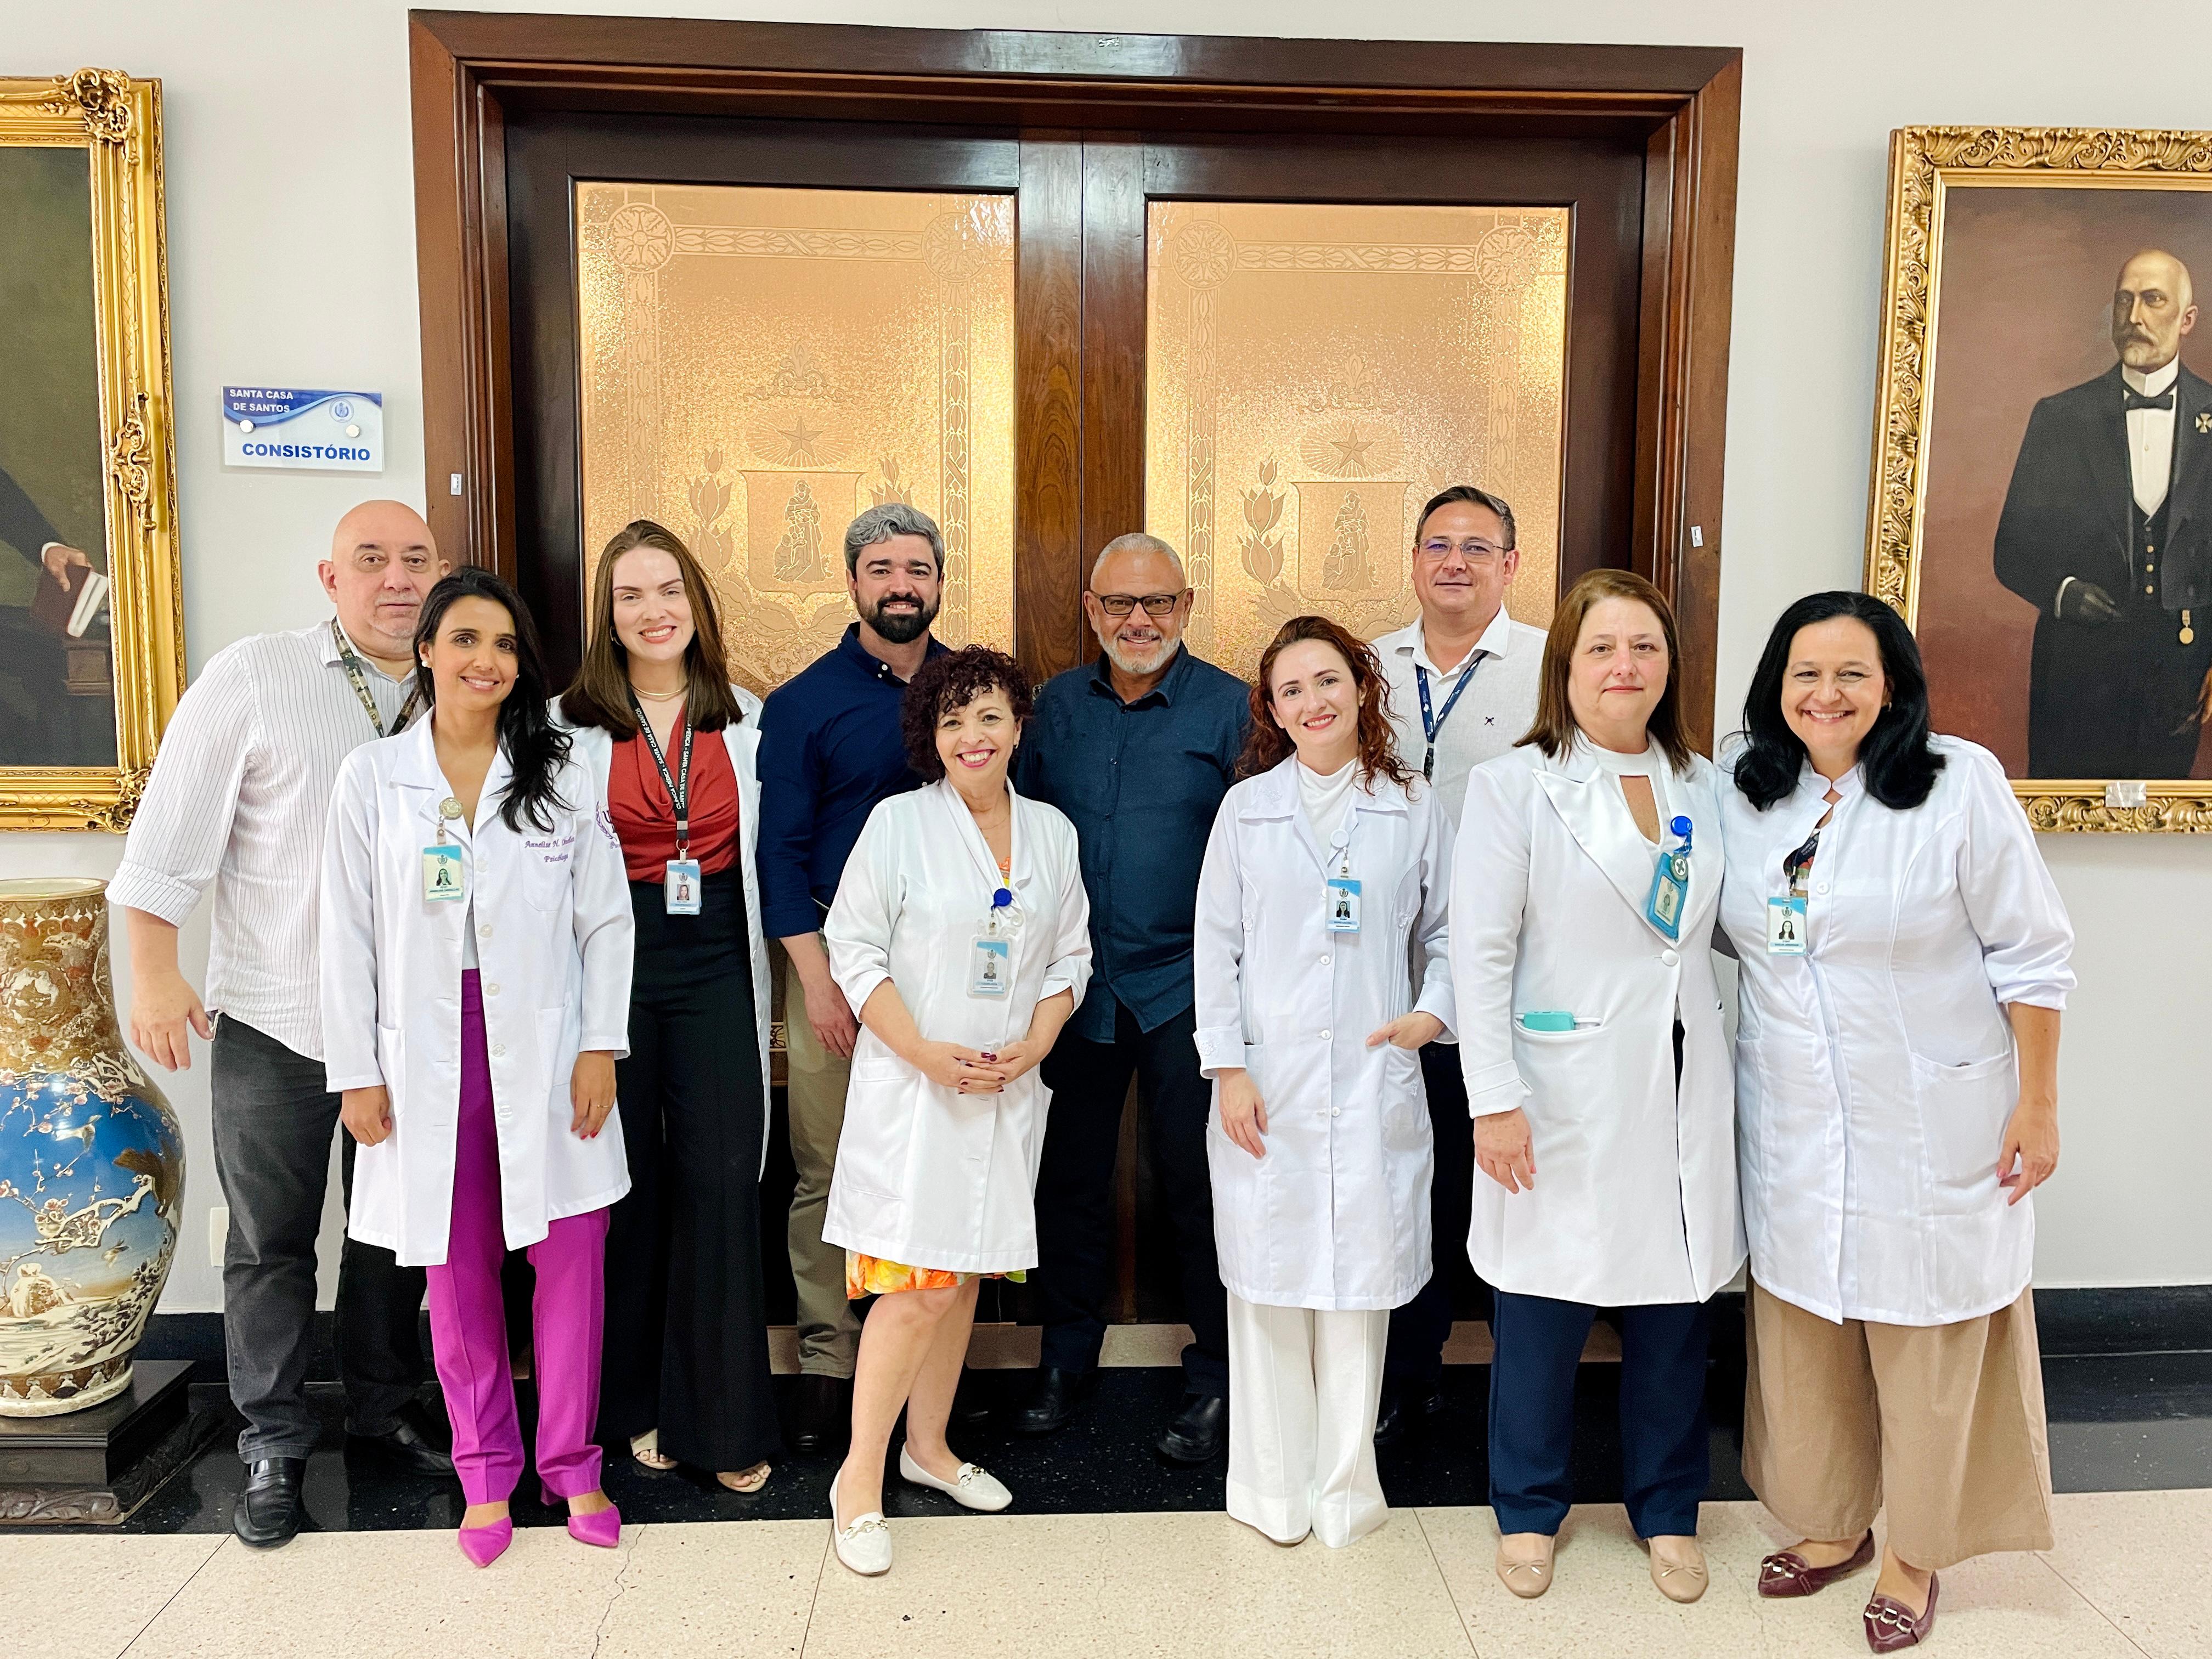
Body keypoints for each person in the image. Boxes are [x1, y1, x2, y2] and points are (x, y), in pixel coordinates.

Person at [1720, 592, 2072, 1654]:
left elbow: (2033, 951)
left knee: (1927, 1331)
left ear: (1892, 687)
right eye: (1804, 673)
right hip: (1791, 1113)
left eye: (1851, 673)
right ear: (1776, 687)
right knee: (1807, 1326)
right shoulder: (1745, 790)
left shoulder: (1957, 783)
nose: (1825, 694)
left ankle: (1914, 1551)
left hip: (1932, 1112)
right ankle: (1831, 1522)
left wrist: (2038, 1099)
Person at [109, 500, 456, 1549]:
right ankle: (272, 1435)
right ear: (329, 577)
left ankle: (385, 1402)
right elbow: (166, 839)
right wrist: (154, 972)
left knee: (392, 1233)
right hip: (279, 1018)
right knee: (271, 1239)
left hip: (409, 1029)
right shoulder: (257, 676)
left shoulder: (463, 680)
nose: (397, 578)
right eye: (371, 559)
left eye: (416, 558)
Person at [322, 568, 634, 1567]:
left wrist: (599, 1044)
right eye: (464, 639)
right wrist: (356, 1069)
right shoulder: (373, 778)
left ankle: (572, 1463)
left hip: (548, 1045)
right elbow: (345, 934)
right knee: (456, 1270)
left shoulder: (563, 770)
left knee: (572, 1256)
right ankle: (486, 1471)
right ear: (425, 650)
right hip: (425, 1050)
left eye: (504, 645)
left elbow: (605, 920)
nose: (486, 661)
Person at [1451, 568, 1740, 1605]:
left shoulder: (1704, 785)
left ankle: (1667, 1509)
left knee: (1674, 1313)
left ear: (1669, 665)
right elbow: (1478, 953)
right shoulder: (1515, 785)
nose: (1625, 666)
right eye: (1602, 648)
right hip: (1557, 1084)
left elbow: (1728, 926)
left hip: (1681, 1078)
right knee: (1541, 1307)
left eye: (1645, 647)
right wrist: (1492, 1099)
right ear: (1565, 666)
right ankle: (1529, 1508)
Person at [820, 646, 1092, 1576]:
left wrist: (1040, 1038)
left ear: (1018, 726)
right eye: (951, 720)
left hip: (1002, 1092)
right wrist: (923, 1051)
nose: (971, 736)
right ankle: (858, 1478)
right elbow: (854, 948)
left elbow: (1071, 955)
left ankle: (928, 1449)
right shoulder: (899, 824)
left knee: (964, 1277)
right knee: (914, 1291)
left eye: (988, 717)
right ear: (929, 738)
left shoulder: (1051, 832)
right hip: (917, 1091)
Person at [1192, 616, 1455, 1548]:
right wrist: (1229, 1066)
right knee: (1267, 1288)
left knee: (1356, 1293)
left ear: (1361, 686)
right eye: (1291, 689)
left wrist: (1431, 1013)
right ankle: (1269, 1490)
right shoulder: (1246, 809)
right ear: (1271, 709)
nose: (1313, 702)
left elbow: (1450, 932)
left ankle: (1344, 1490)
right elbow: (1214, 946)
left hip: (1373, 1074)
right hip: (1267, 1083)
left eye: (1328, 680)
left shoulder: (1410, 803)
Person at [1013, 532, 1249, 1461]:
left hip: (1189, 986)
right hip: (1074, 988)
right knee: (1068, 1181)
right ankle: (1063, 1359)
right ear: (1091, 609)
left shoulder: (1233, 709)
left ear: (1186, 606)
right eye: (1118, 603)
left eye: (1157, 602)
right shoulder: (1053, 709)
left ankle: (1219, 1375)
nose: (1138, 620)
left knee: (1198, 1187)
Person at [555, 518, 778, 1494]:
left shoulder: (749, 717)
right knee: (625, 1182)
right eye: (631, 595)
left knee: (722, 1180)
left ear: (697, 602)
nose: (654, 611)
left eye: (669, 590)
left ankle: (721, 1421)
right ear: (607, 616)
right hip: (610, 960)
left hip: (716, 953)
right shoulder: (562, 728)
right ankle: (632, 1405)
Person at [756, 503, 951, 1452]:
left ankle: (922, 1373)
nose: (900, 584)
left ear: (939, 582)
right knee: (829, 1166)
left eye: (917, 568)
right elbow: (779, 853)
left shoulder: (970, 689)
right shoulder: (804, 702)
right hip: (833, 959)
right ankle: (831, 1361)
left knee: (938, 1163)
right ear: (852, 582)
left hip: (949, 970)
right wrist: (817, 978)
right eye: (881, 569)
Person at [1368, 483, 1545, 1444]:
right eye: (1438, 544)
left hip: (1516, 980)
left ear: (1510, 565)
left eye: (1478, 547)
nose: (1455, 562)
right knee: (1411, 1182)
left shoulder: (1551, 667)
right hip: (1396, 978)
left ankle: (1521, 1387)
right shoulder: (1369, 668)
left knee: (1512, 1182)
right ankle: (1410, 1369)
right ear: (1413, 560)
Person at [1994, 248, 2212, 778]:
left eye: (2153, 300)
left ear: (2187, 320)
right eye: (2124, 301)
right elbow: (2011, 550)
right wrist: (2064, 592)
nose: (2134, 317)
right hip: (2075, 676)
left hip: (2180, 681)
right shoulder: (2060, 418)